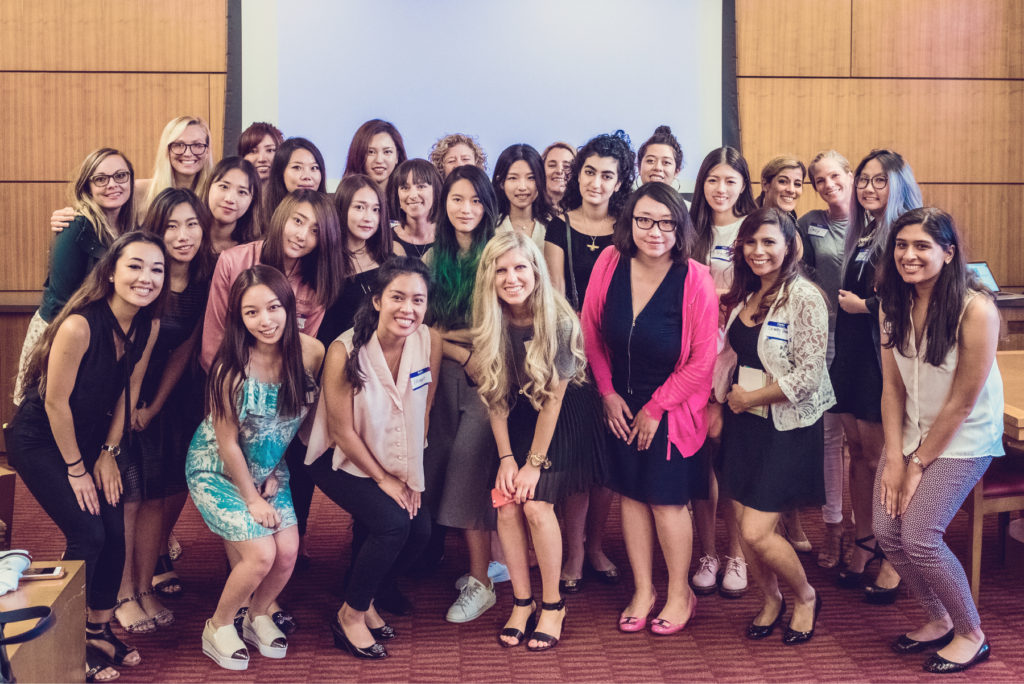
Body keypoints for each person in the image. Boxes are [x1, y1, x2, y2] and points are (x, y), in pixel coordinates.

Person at [7, 232, 165, 683]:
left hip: (92, 442)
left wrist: (109, 454)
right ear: (111, 272)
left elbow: (123, 393)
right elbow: (55, 404)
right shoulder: (80, 324)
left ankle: (98, 630)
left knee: (115, 530)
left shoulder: (147, 326)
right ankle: (70, 638)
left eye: (156, 269)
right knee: (88, 531)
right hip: (40, 439)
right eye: (135, 266)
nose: (146, 278)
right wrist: (78, 469)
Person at [582, 182, 715, 635]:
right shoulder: (609, 262)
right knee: (632, 496)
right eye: (644, 220)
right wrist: (607, 393)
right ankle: (643, 589)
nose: (654, 231)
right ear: (629, 222)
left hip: (673, 409)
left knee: (666, 501)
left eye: (665, 222)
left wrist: (657, 407)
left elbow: (702, 361)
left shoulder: (696, 277)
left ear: (680, 227)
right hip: (619, 402)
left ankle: (681, 592)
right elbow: (591, 335)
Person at [875, 207, 1003, 674]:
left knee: (920, 536)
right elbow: (891, 389)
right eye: (902, 246)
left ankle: (972, 633)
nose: (909, 255)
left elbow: (962, 403)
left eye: (922, 246)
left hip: (963, 437)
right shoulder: (893, 303)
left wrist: (917, 464)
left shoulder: (977, 309)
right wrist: (893, 456)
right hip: (911, 432)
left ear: (949, 254)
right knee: (888, 532)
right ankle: (938, 617)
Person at [187, 265, 324, 670]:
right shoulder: (232, 369)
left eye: (273, 308)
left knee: (288, 553)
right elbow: (226, 442)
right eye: (251, 313)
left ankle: (258, 615)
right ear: (239, 319)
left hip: (269, 468)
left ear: (288, 306)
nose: (265, 321)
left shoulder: (311, 352)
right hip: (218, 471)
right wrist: (250, 496)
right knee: (261, 555)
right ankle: (218, 625)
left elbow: (311, 417)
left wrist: (271, 477)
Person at [305, 258, 441, 659]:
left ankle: (370, 597)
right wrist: (386, 479)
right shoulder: (344, 350)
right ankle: (350, 615)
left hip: (393, 456)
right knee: (393, 524)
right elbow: (342, 432)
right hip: (337, 459)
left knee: (421, 530)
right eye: (397, 298)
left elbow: (423, 413)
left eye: (418, 300)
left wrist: (411, 475)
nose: (408, 309)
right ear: (378, 301)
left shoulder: (426, 340)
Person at [472, 231, 601, 650]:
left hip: (566, 416)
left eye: (519, 268)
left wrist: (532, 463)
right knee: (505, 502)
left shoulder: (559, 321)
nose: (511, 278)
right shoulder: (491, 321)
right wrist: (507, 459)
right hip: (522, 414)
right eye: (501, 270)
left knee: (536, 503)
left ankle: (553, 604)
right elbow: (494, 397)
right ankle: (522, 601)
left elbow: (555, 400)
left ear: (536, 271)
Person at [714, 207, 833, 645]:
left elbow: (810, 374)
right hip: (744, 424)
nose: (759, 251)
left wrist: (752, 397)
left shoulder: (805, 297)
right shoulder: (746, 294)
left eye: (769, 242)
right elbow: (733, 355)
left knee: (755, 532)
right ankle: (770, 598)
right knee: (743, 523)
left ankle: (804, 596)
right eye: (751, 242)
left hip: (785, 427)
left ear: (788, 247)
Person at [112, 189, 214, 633]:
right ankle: (119, 595)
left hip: (167, 399)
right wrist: (132, 406)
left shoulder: (204, 278)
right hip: (118, 393)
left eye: (191, 223)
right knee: (128, 501)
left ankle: (145, 587)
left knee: (157, 497)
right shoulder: (143, 278)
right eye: (171, 225)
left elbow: (185, 350)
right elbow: (125, 353)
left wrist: (154, 407)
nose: (182, 235)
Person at [544, 131, 634, 592]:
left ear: (619, 182)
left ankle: (596, 544)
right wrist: (578, 351)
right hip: (575, 355)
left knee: (610, 457)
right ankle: (575, 549)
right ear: (576, 175)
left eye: (607, 175)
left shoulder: (630, 224)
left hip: (627, 353)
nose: (596, 183)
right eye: (589, 172)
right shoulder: (558, 226)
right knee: (580, 457)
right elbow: (557, 295)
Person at [831, 149, 922, 602]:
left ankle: (893, 553)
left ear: (898, 185)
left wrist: (863, 306)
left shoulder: (906, 233)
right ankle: (866, 539)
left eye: (878, 180)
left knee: (886, 460)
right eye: (863, 180)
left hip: (880, 361)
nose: (868, 187)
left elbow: (912, 298)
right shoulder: (863, 231)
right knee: (857, 455)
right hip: (850, 355)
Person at [421, 164, 500, 623]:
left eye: (474, 200)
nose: (465, 209)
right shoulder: (435, 256)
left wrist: (456, 346)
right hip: (443, 374)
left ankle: (481, 582)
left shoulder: (500, 252)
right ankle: (478, 568)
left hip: (489, 378)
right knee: (442, 464)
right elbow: (425, 329)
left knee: (472, 472)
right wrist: (456, 349)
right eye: (456, 199)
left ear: (487, 204)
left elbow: (505, 325)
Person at [687, 146, 758, 598]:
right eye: (713, 179)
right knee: (700, 462)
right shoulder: (688, 229)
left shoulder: (754, 229)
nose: (721, 188)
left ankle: (737, 553)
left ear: (743, 186)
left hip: (741, 355)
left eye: (731, 180)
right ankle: (706, 552)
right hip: (693, 356)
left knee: (733, 459)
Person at [15, 147, 137, 405]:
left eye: (120, 176)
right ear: (87, 187)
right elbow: (62, 302)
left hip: (98, 338)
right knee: (49, 415)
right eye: (100, 178)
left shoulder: (129, 227)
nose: (112, 184)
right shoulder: (75, 226)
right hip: (61, 336)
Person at [201, 189, 343, 370]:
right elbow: (214, 337)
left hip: (281, 381)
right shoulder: (232, 261)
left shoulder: (318, 281)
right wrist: (225, 382)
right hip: (229, 375)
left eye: (315, 231)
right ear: (282, 216)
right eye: (298, 221)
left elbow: (304, 349)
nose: (302, 236)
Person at [797, 150, 856, 569]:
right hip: (825, 339)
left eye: (834, 175)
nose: (828, 184)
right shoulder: (810, 224)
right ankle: (834, 527)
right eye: (819, 180)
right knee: (829, 441)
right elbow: (797, 276)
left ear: (849, 175)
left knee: (871, 446)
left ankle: (869, 534)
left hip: (868, 342)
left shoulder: (876, 224)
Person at [758, 155, 811, 552]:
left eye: (798, 183)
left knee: (789, 438)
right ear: (766, 184)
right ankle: (765, 524)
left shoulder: (800, 228)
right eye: (783, 181)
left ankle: (788, 520)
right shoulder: (754, 221)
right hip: (751, 342)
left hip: (790, 342)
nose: (791, 189)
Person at [318, 174, 394, 346]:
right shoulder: (323, 262)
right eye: (360, 207)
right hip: (337, 356)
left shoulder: (390, 262)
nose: (369, 217)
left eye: (376, 209)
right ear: (342, 208)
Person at [492, 143, 551, 250]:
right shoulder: (490, 227)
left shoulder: (553, 226)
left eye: (531, 178)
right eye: (513, 178)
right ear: (501, 182)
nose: (522, 187)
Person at [199, 156, 261, 252]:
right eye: (224, 187)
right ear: (209, 187)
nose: (230, 199)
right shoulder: (189, 239)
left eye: (242, 192)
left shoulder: (254, 250)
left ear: (252, 200)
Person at [261, 137, 328, 223]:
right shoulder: (261, 219)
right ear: (280, 172)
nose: (307, 176)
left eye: (314, 168)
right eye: (297, 167)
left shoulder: (331, 216)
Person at [387, 158, 442, 260]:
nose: (412, 195)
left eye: (421, 186)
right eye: (405, 188)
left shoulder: (450, 237)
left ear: (436, 192)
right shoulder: (385, 239)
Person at [343, 119, 408, 191]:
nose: (379, 160)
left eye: (387, 152)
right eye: (371, 152)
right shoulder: (341, 200)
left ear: (397, 156)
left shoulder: (406, 199)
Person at [635, 125, 686, 195]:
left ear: (676, 171)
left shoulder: (687, 206)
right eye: (650, 161)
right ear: (639, 167)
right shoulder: (626, 205)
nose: (657, 168)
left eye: (666, 162)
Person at [542, 142, 575, 210]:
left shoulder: (585, 213)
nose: (559, 171)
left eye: (566, 166)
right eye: (552, 165)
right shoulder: (530, 211)